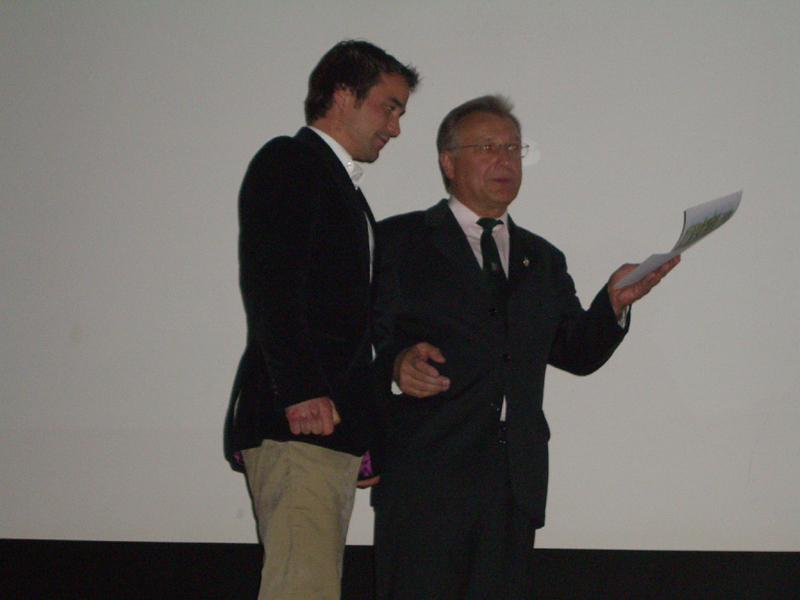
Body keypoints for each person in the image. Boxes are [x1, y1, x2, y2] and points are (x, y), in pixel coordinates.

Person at [371, 95, 679, 600]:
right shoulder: (398, 241)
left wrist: (613, 304)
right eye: (487, 147)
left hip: (514, 485)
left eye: (514, 148)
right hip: (427, 479)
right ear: (448, 162)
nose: (505, 160)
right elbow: (360, 337)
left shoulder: (543, 257)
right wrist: (394, 363)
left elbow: (575, 352)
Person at [223, 40, 419, 600]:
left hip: (324, 431)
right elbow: (272, 285)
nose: (395, 128)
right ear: (342, 94)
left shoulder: (343, 189)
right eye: (388, 107)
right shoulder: (291, 161)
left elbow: (348, 330)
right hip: (298, 425)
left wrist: (362, 433)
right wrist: (301, 389)